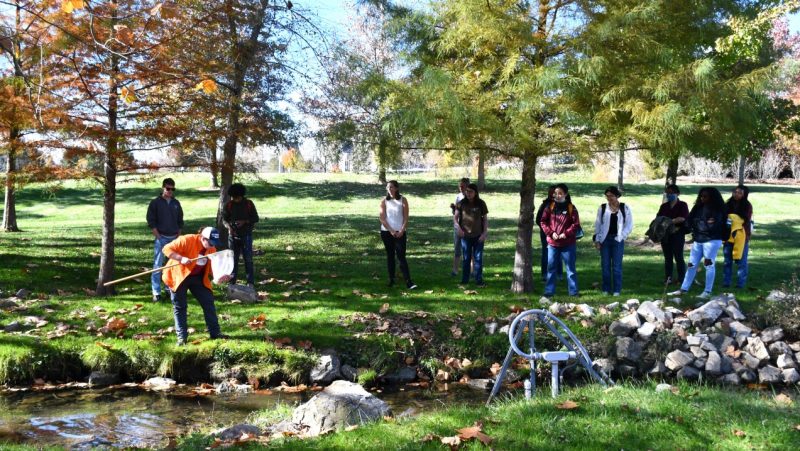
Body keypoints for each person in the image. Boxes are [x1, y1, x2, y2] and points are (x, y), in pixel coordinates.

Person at [162, 227, 231, 345]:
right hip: (179, 276)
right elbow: (166, 249)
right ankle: (181, 338)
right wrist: (180, 258)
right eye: (210, 242)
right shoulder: (186, 240)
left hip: (198, 278)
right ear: (203, 238)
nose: (211, 246)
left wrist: (220, 277)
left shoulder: (211, 249)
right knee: (180, 306)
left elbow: (211, 270)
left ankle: (215, 333)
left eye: (214, 243)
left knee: (208, 302)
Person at [669, 187, 726, 299]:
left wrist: (698, 223)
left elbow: (711, 226)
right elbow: (689, 221)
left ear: (712, 197)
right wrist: (701, 223)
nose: (702, 198)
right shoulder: (698, 207)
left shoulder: (718, 210)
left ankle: (707, 291)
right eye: (701, 196)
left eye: (705, 196)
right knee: (691, 264)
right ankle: (683, 289)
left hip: (711, 240)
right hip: (698, 239)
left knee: (708, 265)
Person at [540, 183, 580, 301]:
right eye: (555, 193)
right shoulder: (549, 207)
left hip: (568, 244)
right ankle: (549, 292)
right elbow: (543, 222)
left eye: (560, 193)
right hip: (553, 244)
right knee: (551, 268)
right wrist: (551, 233)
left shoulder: (571, 208)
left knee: (570, 269)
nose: (557, 195)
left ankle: (573, 292)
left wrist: (565, 234)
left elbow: (575, 224)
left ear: (565, 194)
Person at [146, 178, 183, 302]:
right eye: (168, 188)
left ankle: (169, 288)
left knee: (171, 265)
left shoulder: (176, 203)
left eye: (173, 189)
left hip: (174, 238)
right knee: (158, 265)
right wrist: (159, 237)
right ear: (163, 188)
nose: (170, 191)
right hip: (161, 238)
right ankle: (156, 292)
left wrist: (178, 237)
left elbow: (180, 222)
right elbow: (151, 222)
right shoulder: (155, 203)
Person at [592, 186, 633, 296]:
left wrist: (621, 236)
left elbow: (629, 225)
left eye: (611, 196)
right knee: (605, 266)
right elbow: (598, 224)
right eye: (607, 196)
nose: (609, 198)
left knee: (617, 266)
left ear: (617, 196)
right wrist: (597, 240)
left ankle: (617, 290)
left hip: (617, 239)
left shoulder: (624, 208)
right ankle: (606, 289)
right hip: (605, 240)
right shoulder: (603, 208)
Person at [379, 180, 417, 289]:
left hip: (400, 233)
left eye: (391, 187)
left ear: (396, 188)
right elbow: (382, 218)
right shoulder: (384, 201)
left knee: (401, 257)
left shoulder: (403, 200)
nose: (389, 189)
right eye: (388, 187)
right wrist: (391, 231)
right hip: (387, 232)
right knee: (390, 256)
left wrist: (401, 230)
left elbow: (406, 217)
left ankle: (408, 281)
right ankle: (391, 279)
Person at [222, 183, 260, 287]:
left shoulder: (249, 204)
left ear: (241, 196)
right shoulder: (229, 205)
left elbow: (256, 218)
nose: (235, 199)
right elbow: (224, 219)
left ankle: (250, 282)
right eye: (233, 197)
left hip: (246, 235)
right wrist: (229, 228)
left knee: (248, 259)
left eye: (237, 198)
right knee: (233, 260)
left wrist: (245, 221)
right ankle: (232, 281)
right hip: (233, 236)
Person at [454, 183, 489, 286]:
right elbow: (455, 218)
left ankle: (479, 280)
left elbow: (485, 219)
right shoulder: (461, 203)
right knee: (466, 258)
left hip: (478, 236)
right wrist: (458, 229)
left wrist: (484, 233)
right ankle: (465, 280)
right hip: (465, 236)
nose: (468, 193)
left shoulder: (481, 203)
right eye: (467, 191)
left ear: (475, 193)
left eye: (471, 192)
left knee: (478, 258)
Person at [656, 184, 689, 286]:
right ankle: (668, 278)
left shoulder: (682, 205)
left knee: (678, 257)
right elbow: (659, 218)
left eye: (671, 193)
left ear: (677, 193)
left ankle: (681, 278)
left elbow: (683, 218)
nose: (669, 195)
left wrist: (670, 221)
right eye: (668, 193)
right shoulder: (664, 206)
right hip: (665, 235)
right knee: (668, 257)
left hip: (677, 234)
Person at [722, 185, 752, 289]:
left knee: (742, 262)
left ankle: (740, 284)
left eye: (740, 193)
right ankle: (726, 283)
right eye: (735, 192)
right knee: (727, 261)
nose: (736, 194)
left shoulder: (747, 206)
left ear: (744, 195)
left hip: (742, 237)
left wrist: (733, 218)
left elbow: (745, 219)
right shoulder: (727, 204)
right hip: (728, 236)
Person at [535, 185, 562, 281]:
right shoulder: (545, 205)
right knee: (546, 253)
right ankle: (545, 274)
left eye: (554, 192)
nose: (552, 194)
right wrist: (547, 230)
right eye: (550, 192)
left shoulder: (562, 204)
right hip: (546, 233)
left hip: (559, 234)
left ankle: (558, 274)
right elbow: (539, 220)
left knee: (558, 253)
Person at [450, 177, 470, 277]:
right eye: (459, 186)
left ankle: (472, 271)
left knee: (469, 249)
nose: (460, 188)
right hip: (458, 226)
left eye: (462, 186)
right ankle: (455, 270)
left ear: (467, 186)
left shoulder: (471, 197)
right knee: (457, 249)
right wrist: (453, 208)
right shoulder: (458, 197)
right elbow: (456, 213)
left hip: (468, 227)